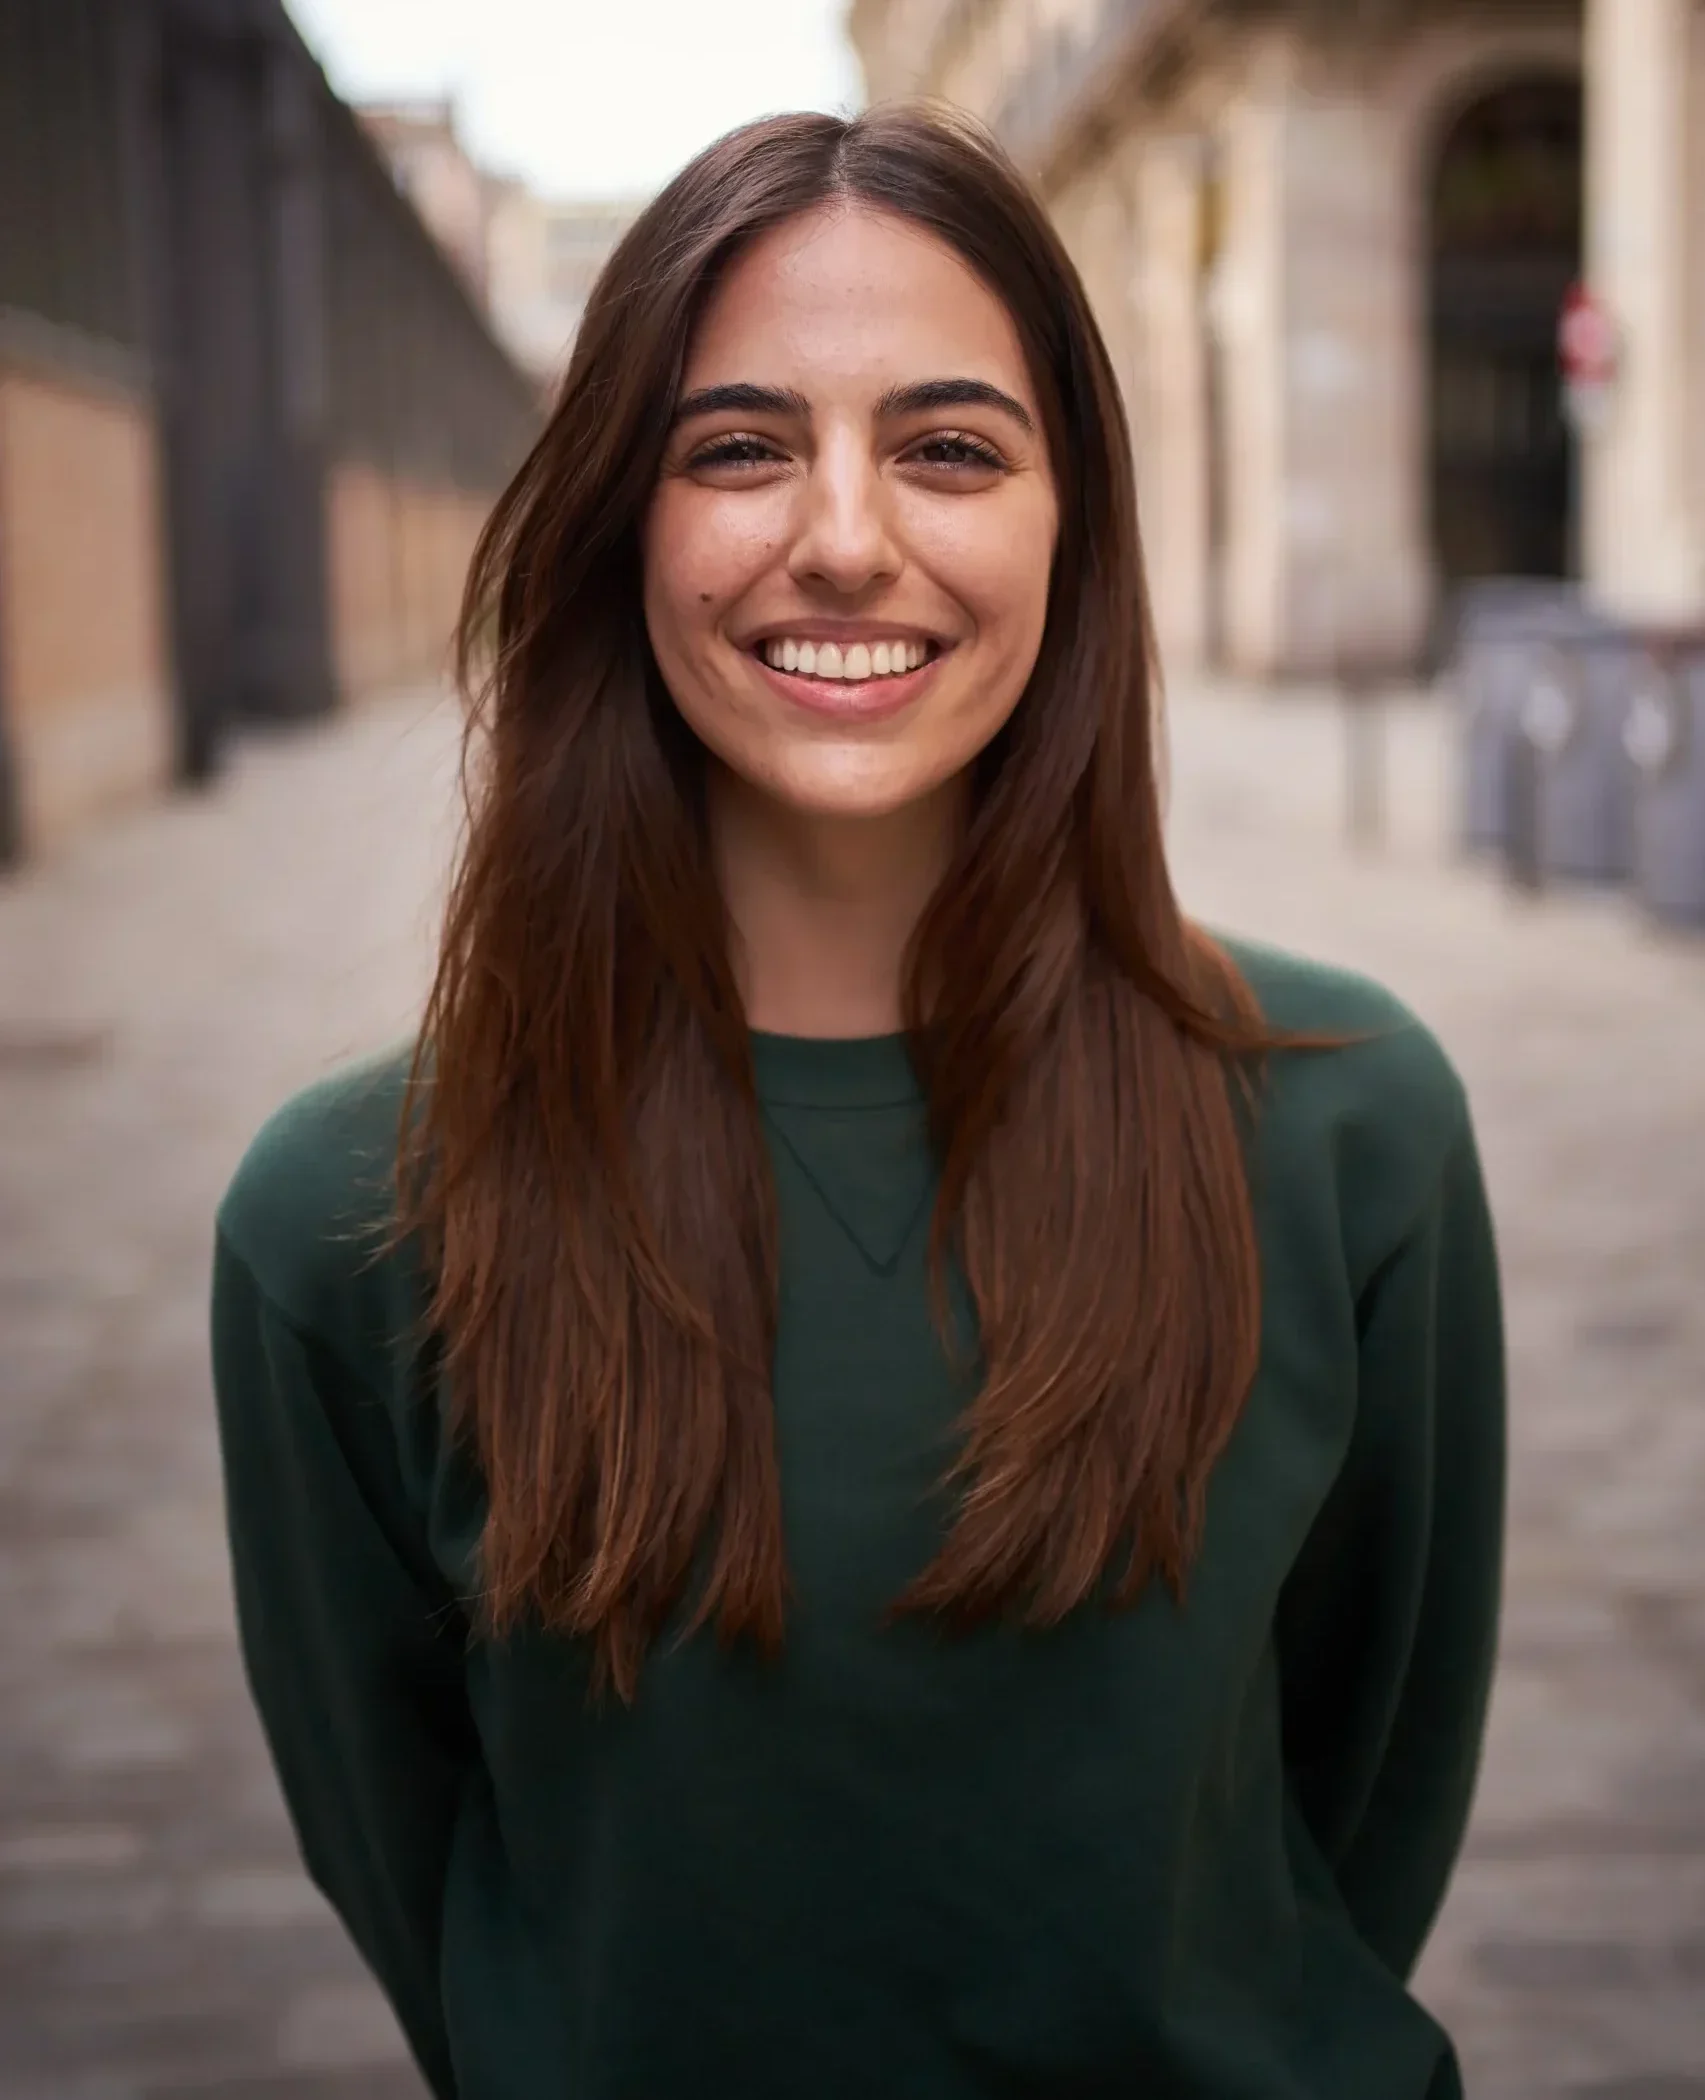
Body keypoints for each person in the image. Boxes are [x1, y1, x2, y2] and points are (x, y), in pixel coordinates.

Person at [210, 104, 1505, 2100]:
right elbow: (431, 1876)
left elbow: (1359, 1815)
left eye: (949, 447)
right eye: (737, 446)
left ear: (1073, 524)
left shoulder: (1351, 1138)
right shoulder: (345, 1221)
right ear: (617, 522)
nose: (842, 532)